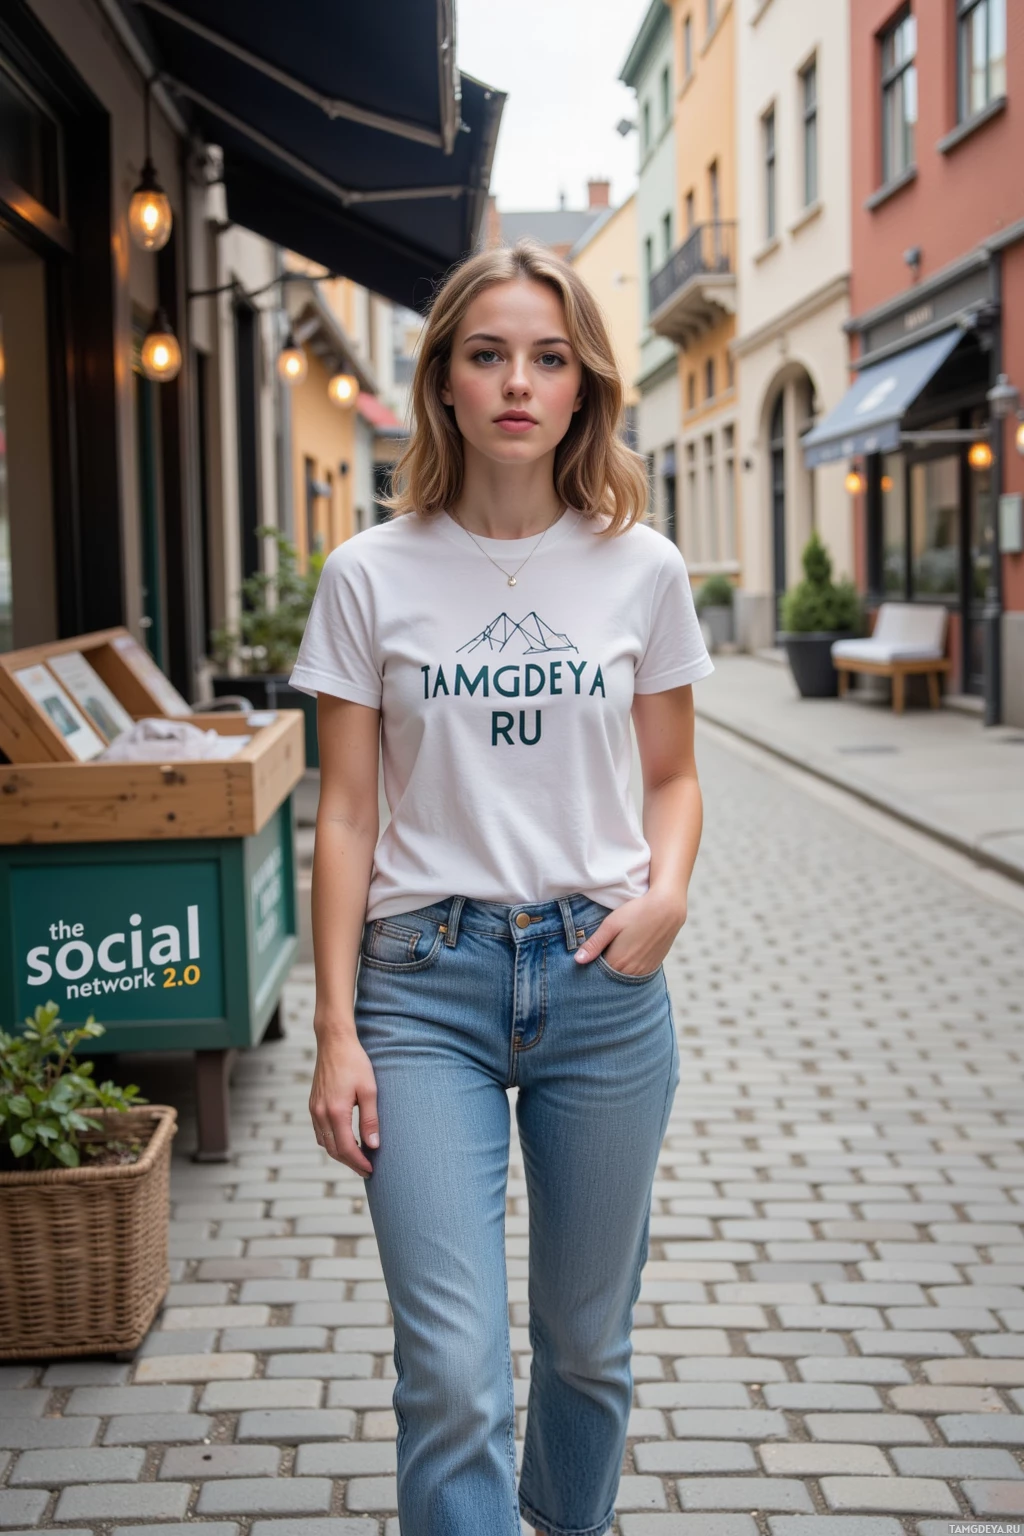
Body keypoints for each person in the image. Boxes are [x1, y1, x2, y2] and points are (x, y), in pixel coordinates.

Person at [289, 236, 715, 1536]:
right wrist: (336, 1029)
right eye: (488, 356)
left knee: (587, 1350)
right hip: (424, 992)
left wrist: (670, 896)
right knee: (456, 1375)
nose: (518, 382)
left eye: (547, 357)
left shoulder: (642, 567)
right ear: (446, 385)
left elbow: (675, 780)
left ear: (583, 385)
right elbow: (347, 815)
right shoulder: (370, 572)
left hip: (602, 982)